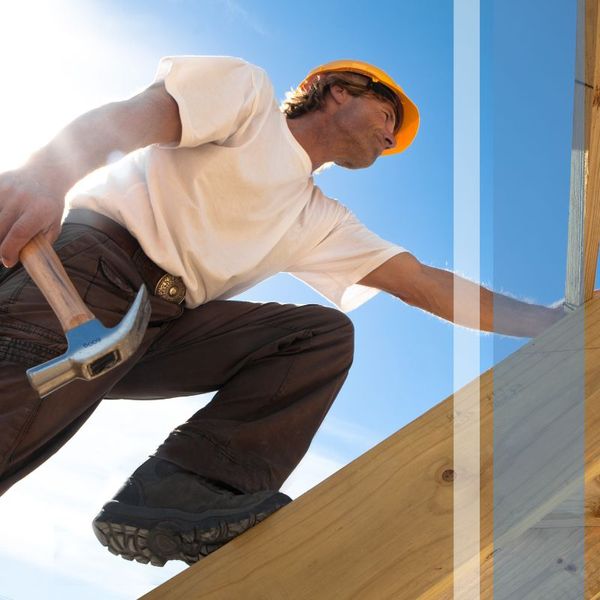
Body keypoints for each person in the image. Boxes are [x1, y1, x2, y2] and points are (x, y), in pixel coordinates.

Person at [0, 56, 564, 567]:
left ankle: (186, 491)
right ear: (335, 90)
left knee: (316, 337)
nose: (391, 136)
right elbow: (130, 119)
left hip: (161, 327)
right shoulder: (247, 100)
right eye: (387, 111)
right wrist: (46, 175)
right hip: (87, 278)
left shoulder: (316, 216)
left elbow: (423, 285)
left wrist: (547, 324)